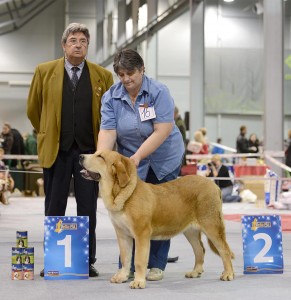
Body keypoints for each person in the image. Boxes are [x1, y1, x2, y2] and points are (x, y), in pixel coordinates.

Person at [26, 22, 114, 277]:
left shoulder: (102, 75)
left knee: (88, 207)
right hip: (57, 150)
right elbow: (34, 109)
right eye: (73, 40)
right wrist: (46, 130)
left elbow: (107, 115)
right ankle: (54, 259)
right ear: (64, 45)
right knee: (55, 205)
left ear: (88, 46)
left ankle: (87, 261)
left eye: (83, 41)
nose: (78, 44)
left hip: (90, 154)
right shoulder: (44, 71)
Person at [97, 48, 184, 281]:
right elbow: (107, 131)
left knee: (160, 211)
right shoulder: (111, 97)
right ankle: (127, 266)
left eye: (130, 73)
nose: (126, 79)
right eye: (121, 74)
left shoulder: (159, 92)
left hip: (164, 158)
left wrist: (136, 157)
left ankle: (156, 265)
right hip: (131, 164)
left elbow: (162, 130)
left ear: (142, 69)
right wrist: (101, 160)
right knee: (129, 213)